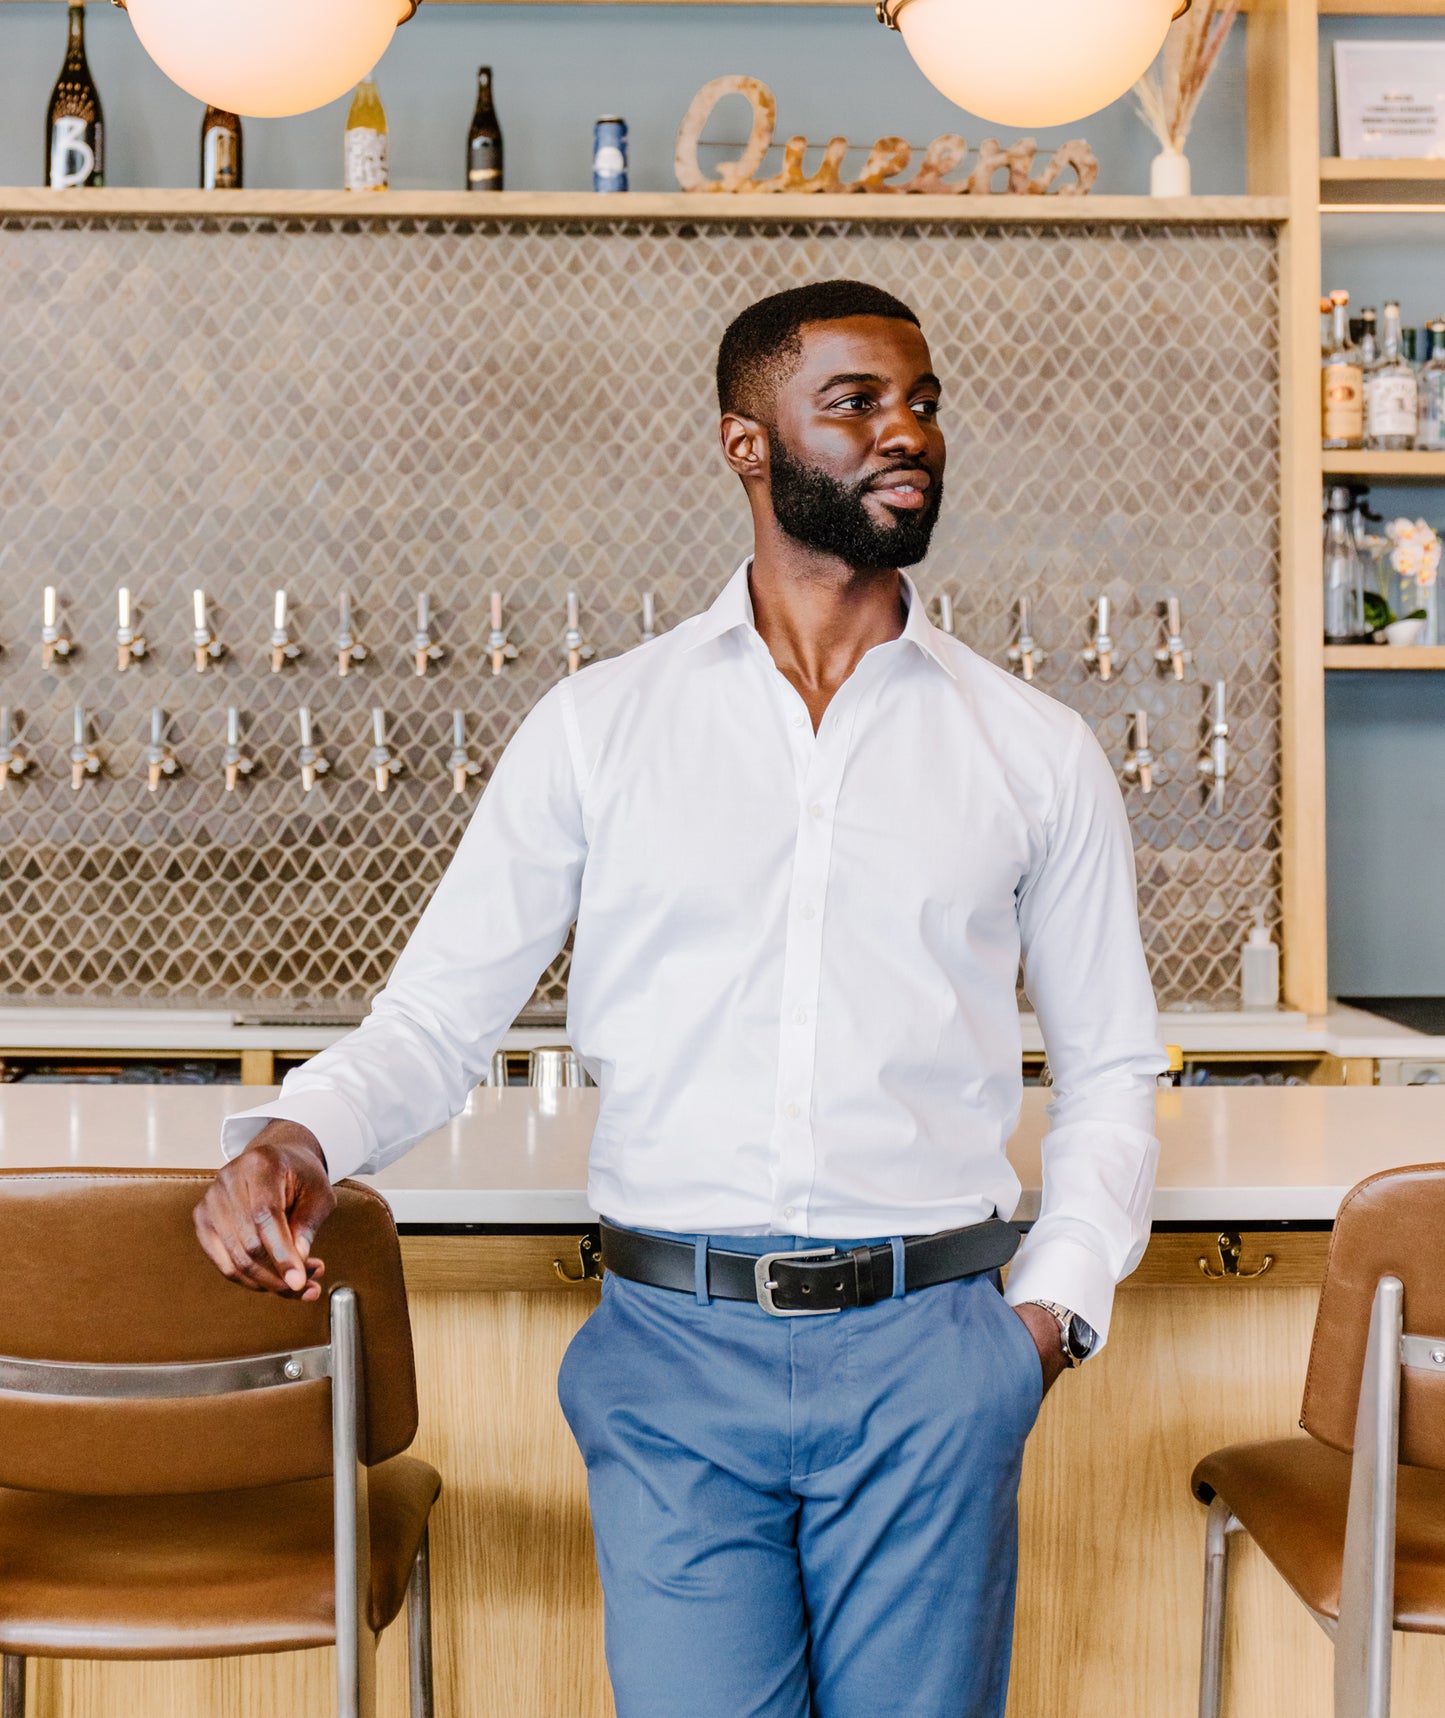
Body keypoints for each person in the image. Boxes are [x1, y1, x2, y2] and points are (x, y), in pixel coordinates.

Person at [196, 278, 1164, 1718]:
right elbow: (435, 1021)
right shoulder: (599, 728)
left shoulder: (1034, 750)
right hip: (670, 1353)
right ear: (746, 443)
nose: (906, 432)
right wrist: (302, 1138)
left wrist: (1049, 1317)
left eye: (922, 402)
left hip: (932, 1354)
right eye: (854, 403)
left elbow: (1111, 1067)